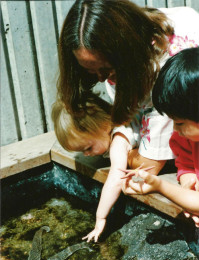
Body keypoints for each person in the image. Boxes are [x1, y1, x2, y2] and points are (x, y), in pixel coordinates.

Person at [57, 0, 199, 177]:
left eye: (106, 69)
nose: (101, 79)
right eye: (91, 71)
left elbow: (149, 164)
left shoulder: (167, 72)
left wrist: (119, 150)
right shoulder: (123, 61)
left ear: (126, 51)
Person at [52, 92, 152, 242]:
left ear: (105, 126)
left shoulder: (118, 142)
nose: (86, 155)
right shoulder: (114, 123)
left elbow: (116, 179)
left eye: (88, 148)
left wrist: (100, 218)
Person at [122, 47, 199, 227]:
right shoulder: (185, 138)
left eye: (179, 122)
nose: (174, 129)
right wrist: (186, 175)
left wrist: (160, 186)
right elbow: (185, 161)